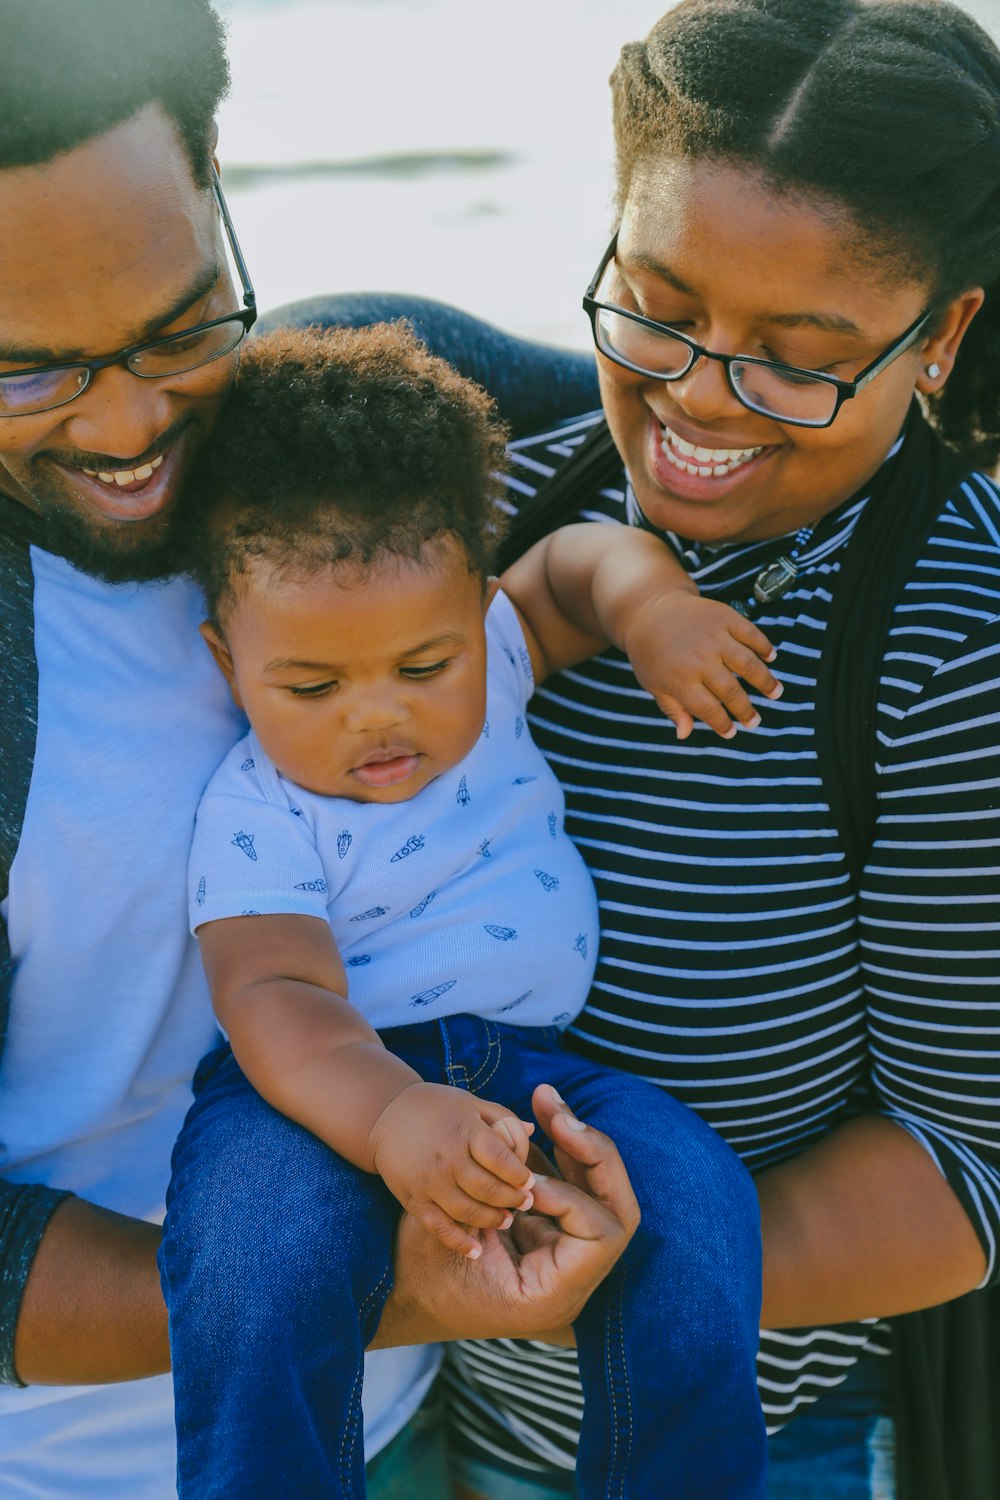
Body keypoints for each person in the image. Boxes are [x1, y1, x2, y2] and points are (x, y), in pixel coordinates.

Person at [0, 5, 641, 1497]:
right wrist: (419, 1283)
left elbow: (688, 399)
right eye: (31, 369)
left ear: (219, 179)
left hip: (407, 1428)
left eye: (181, 326)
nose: (134, 418)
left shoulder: (366, 409)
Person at [397, 2, 998, 1498]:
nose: (699, 397)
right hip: (454, 1421)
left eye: (801, 359)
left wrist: (593, 1271)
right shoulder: (493, 519)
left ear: (944, 337)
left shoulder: (957, 644)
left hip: (762, 1444)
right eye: (657, 306)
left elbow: (960, 1178)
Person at [161, 319, 775, 1498]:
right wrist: (393, 1120)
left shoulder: (495, 651)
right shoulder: (254, 808)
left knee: (696, 1213)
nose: (375, 716)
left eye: (422, 667)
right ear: (224, 656)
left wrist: (651, 612)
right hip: (318, 1099)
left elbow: (583, 562)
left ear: (478, 614)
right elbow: (272, 996)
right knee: (251, 1261)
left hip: (542, 1075)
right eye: (310, 684)